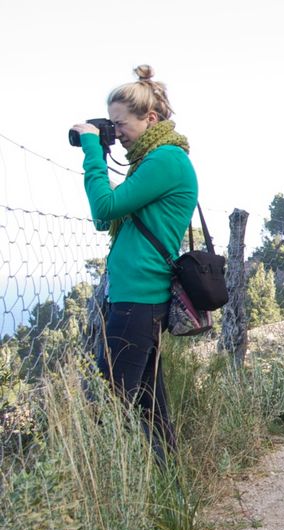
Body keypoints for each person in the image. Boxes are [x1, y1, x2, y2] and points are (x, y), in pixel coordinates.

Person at [72, 65, 197, 461]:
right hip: (136, 294)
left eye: (119, 124)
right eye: (110, 125)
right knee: (148, 404)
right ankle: (170, 486)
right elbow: (103, 218)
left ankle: (111, 488)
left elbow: (104, 205)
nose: (115, 132)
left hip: (138, 297)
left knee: (109, 406)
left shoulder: (165, 161)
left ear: (151, 119)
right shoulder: (150, 162)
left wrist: (92, 151)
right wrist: (101, 154)